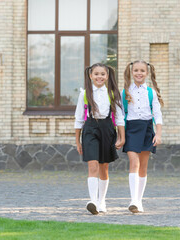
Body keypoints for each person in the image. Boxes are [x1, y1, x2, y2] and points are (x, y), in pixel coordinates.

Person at [75, 63, 125, 215]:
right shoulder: (84, 94)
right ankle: (93, 201)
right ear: (90, 76)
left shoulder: (112, 93)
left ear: (107, 76)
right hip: (90, 129)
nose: (99, 77)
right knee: (93, 165)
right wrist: (77, 141)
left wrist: (122, 137)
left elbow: (119, 117)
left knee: (104, 167)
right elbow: (78, 119)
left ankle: (101, 200)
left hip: (107, 129)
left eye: (102, 74)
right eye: (96, 74)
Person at [122, 60, 163, 213]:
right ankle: (133, 200)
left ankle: (138, 201)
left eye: (142, 71)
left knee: (143, 166)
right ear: (131, 72)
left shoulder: (151, 92)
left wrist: (158, 134)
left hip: (147, 129)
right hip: (131, 129)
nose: (139, 73)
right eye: (136, 70)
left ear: (147, 73)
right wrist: (121, 136)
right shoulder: (125, 92)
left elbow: (157, 115)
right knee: (134, 162)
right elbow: (121, 115)